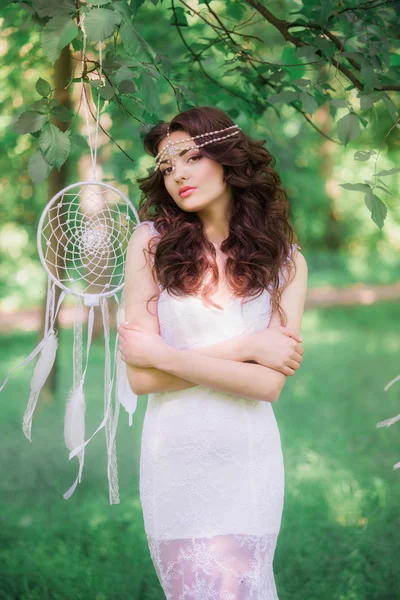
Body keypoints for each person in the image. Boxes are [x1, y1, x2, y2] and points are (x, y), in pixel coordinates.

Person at [117, 106, 308, 599]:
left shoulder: (286, 262)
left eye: (190, 156)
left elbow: (268, 384)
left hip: (247, 459)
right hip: (175, 460)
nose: (177, 173)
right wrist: (247, 347)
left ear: (228, 157)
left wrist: (163, 355)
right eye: (166, 166)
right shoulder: (149, 245)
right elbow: (140, 379)